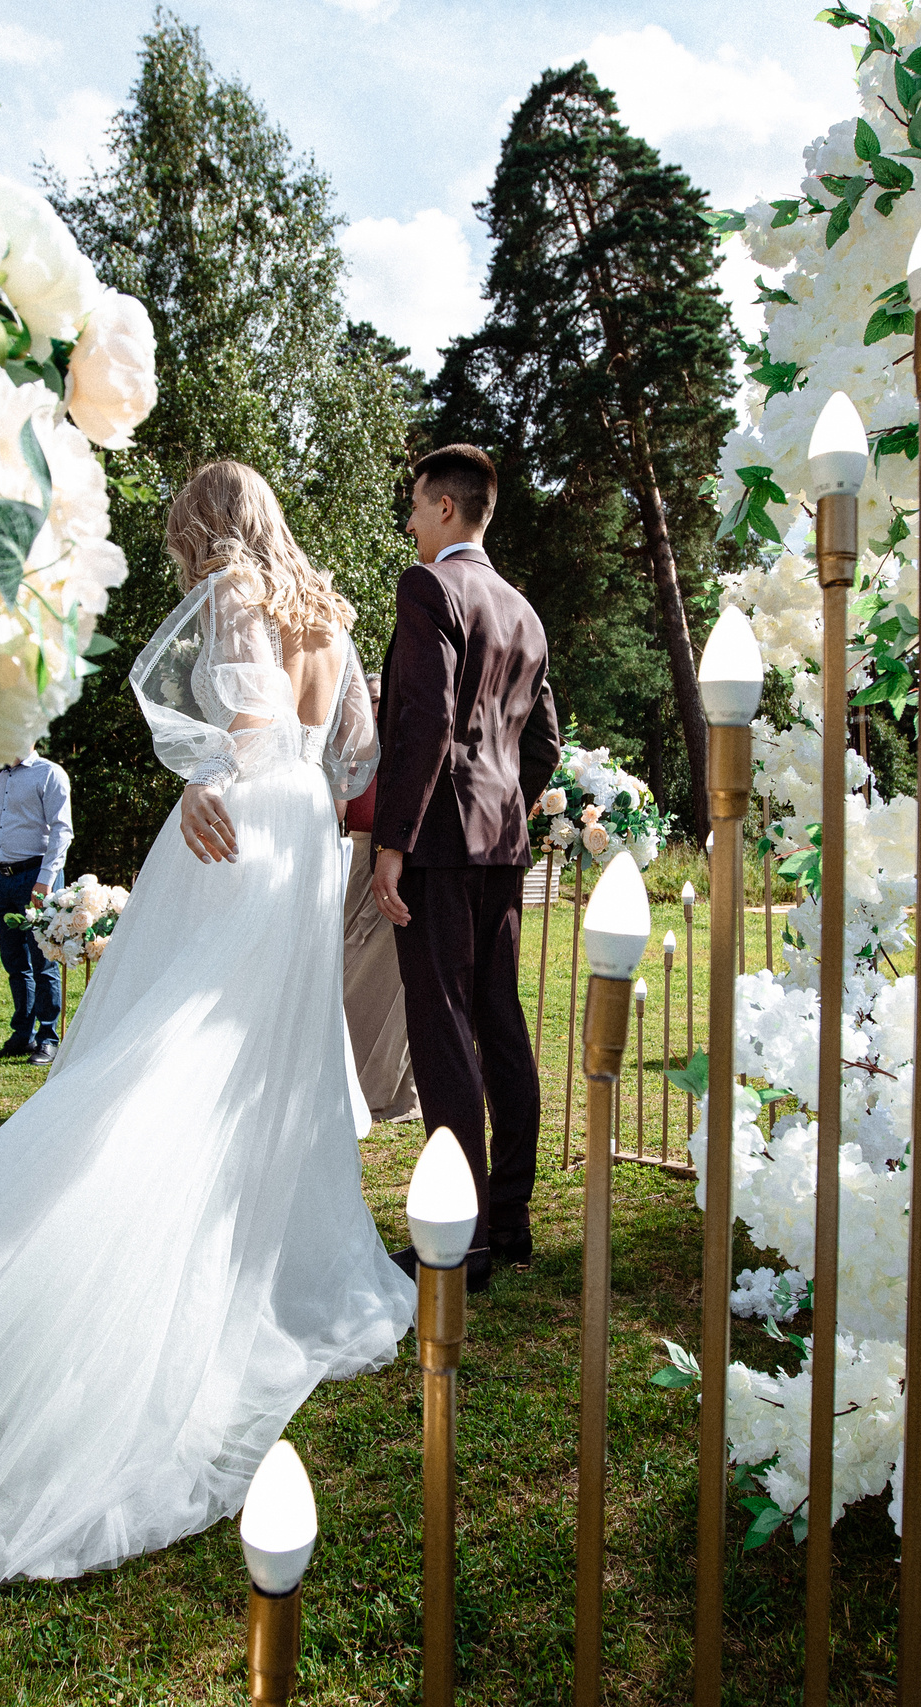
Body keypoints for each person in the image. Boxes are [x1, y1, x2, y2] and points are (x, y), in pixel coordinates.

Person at [0, 459, 411, 1585]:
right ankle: (259, 1252)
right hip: (308, 837)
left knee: (165, 1040)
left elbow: (242, 719)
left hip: (237, 819)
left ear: (203, 524)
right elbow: (355, 755)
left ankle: (88, 1244)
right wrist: (282, 773)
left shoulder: (234, 591)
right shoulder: (327, 611)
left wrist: (205, 779)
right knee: (255, 1059)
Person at [368, 444, 561, 1289]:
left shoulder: (429, 588)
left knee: (443, 1030)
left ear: (446, 509)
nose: (408, 521)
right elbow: (545, 742)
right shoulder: (523, 608)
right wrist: (507, 804)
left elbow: (427, 716)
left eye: (414, 504)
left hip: (440, 844)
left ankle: (467, 1242)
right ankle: (512, 1222)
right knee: (500, 1021)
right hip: (501, 843)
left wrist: (394, 840)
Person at [340, 675, 420, 1122]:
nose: (378, 708)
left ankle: (391, 1089)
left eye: (385, 701)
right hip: (351, 863)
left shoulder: (410, 751)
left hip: (394, 865)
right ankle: (345, 1076)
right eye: (372, 700)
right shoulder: (351, 753)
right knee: (346, 969)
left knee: (390, 983)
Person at [0, 740, 72, 1064]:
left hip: (37, 875)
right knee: (14, 961)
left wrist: (44, 881)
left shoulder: (50, 774)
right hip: (4, 879)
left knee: (43, 959)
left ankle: (48, 1037)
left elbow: (62, 831)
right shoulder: (0, 782)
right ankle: (23, 1034)